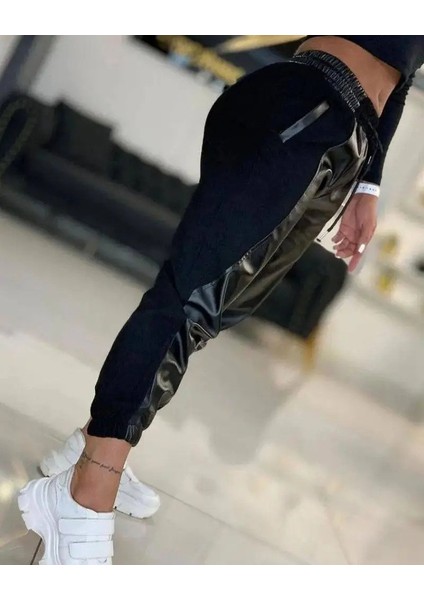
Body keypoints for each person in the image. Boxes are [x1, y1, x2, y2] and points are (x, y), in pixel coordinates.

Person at [18, 36, 424, 564]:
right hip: (310, 104)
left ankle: (93, 447)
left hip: (352, 139)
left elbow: (402, 77)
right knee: (186, 301)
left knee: (210, 313)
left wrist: (368, 185)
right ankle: (86, 495)